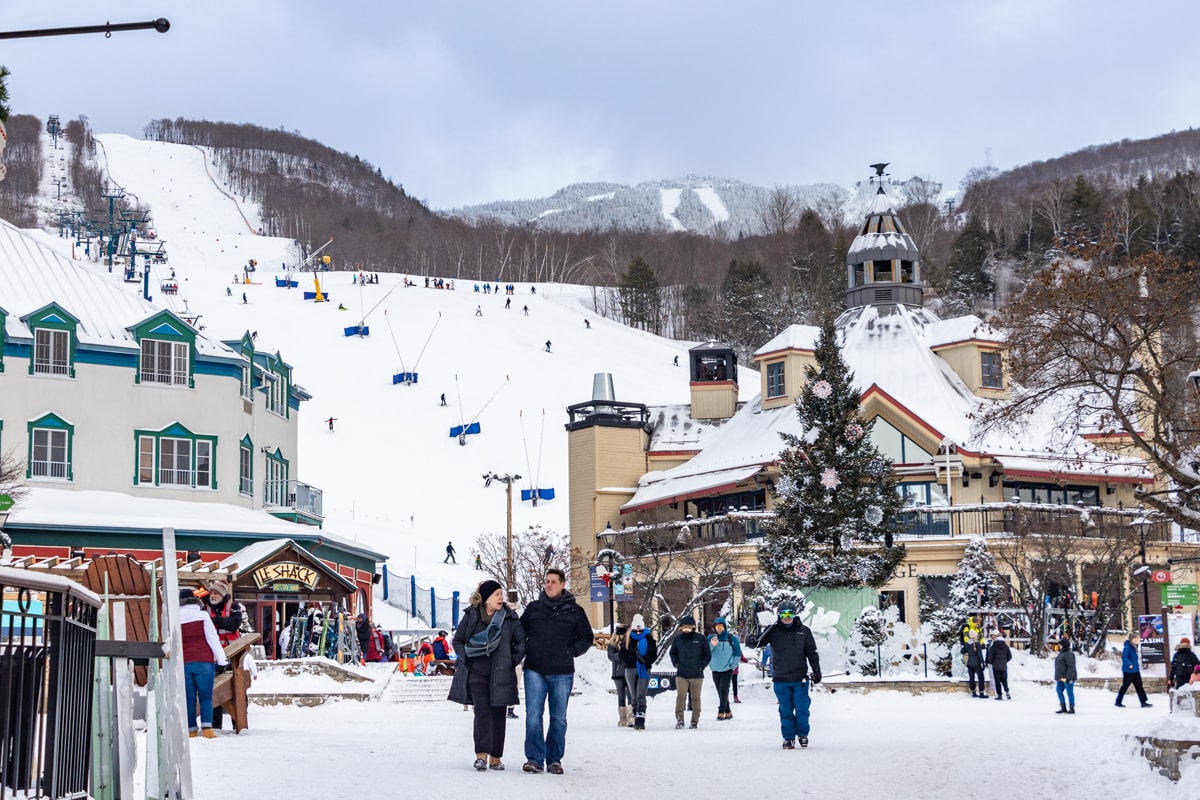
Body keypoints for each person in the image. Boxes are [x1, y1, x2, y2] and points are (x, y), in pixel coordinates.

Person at [519, 568, 593, 775]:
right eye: (547, 581)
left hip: (562, 671)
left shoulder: (575, 611)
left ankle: (554, 760)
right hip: (535, 669)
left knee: (558, 717)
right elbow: (518, 632)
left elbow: (586, 638)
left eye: (553, 581)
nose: (549, 584)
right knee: (533, 714)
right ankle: (534, 759)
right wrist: (525, 649)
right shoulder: (534, 609)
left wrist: (570, 652)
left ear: (562, 585)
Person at [448, 580, 526, 771]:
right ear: (486, 598)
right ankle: (481, 755)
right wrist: (467, 657)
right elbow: (457, 640)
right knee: (482, 712)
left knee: (498, 714)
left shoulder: (509, 618)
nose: (501, 597)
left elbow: (521, 644)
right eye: (497, 594)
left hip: (501, 675)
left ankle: (496, 757)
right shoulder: (472, 615)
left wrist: (510, 662)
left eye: (501, 594)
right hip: (477, 674)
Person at [748, 599, 821, 749]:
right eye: (783, 614)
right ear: (779, 615)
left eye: (790, 614)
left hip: (800, 678)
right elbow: (757, 642)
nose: (787, 617)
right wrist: (751, 639)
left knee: (802, 709)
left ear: (795, 615)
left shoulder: (804, 631)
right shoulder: (773, 631)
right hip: (781, 678)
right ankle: (788, 737)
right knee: (785, 710)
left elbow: (812, 653)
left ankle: (802, 734)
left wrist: (816, 670)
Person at [180, 588, 228, 739]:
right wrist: (222, 660)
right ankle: (207, 729)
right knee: (206, 696)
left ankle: (192, 730)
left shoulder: (175, 617)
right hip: (204, 661)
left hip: (185, 662)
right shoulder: (203, 615)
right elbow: (212, 639)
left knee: (189, 698)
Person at [203, 581, 247, 729]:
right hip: (212, 655)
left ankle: (239, 722)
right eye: (211, 593)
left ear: (222, 594)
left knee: (236, 687)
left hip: (232, 653)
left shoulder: (233, 607)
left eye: (216, 593)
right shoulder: (205, 608)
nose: (213, 595)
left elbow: (234, 623)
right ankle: (216, 725)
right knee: (215, 690)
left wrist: (214, 621)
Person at [669, 615, 711, 729]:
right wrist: (676, 663)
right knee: (681, 696)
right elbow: (672, 653)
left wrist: (701, 666)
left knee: (696, 698)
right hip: (681, 674)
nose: (686, 629)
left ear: (693, 627)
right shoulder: (677, 639)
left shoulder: (701, 639)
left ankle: (695, 720)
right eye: (684, 627)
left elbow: (707, 654)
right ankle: (679, 719)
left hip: (697, 674)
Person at [622, 614, 657, 730]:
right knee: (633, 696)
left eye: (640, 630)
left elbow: (653, 654)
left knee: (641, 694)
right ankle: (635, 716)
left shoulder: (649, 639)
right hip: (630, 668)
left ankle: (641, 719)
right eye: (636, 630)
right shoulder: (627, 638)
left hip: (644, 668)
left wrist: (645, 659)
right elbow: (622, 654)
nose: (638, 633)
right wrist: (632, 657)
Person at [709, 616, 742, 719]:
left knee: (724, 690)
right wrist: (712, 645)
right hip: (715, 669)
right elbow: (705, 652)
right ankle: (728, 712)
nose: (719, 629)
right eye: (717, 627)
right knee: (719, 691)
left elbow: (737, 654)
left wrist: (733, 665)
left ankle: (721, 711)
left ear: (724, 627)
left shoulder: (731, 639)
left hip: (727, 669)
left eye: (721, 626)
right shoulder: (711, 638)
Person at [1116, 633, 1152, 707]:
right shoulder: (1127, 647)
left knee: (1139, 686)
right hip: (1128, 671)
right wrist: (1129, 664)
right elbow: (1124, 657)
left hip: (1135, 670)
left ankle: (1143, 702)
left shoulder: (1134, 647)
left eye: (1136, 638)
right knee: (1125, 686)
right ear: (1131, 640)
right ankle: (1118, 701)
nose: (1136, 640)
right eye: (1134, 638)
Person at [607, 624, 632, 727]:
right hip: (618, 673)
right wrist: (620, 655)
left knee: (631, 695)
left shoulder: (630, 642)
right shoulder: (612, 643)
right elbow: (610, 656)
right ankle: (622, 718)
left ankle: (631, 716)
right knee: (621, 695)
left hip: (629, 670)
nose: (621, 636)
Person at [985, 631, 1012, 700]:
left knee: (997, 681)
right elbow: (1010, 656)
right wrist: (1005, 661)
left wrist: (992, 662)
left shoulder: (993, 646)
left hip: (996, 667)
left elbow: (990, 657)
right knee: (1004, 680)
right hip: (1003, 666)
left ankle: (999, 695)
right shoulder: (1006, 647)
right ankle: (1007, 692)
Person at [1055, 634, 1077, 714]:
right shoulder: (1061, 653)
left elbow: (1071, 667)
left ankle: (1071, 708)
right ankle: (1063, 707)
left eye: (1060, 645)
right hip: (1061, 677)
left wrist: (1069, 678)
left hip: (1068, 677)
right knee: (1058, 690)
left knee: (1069, 692)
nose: (1058, 646)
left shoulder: (1069, 654)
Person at [962, 630, 987, 698]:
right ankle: (981, 692)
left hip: (969, 663)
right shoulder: (977, 644)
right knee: (981, 678)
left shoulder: (967, 644)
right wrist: (983, 663)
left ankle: (973, 692)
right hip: (977, 663)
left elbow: (962, 651)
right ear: (975, 636)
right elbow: (980, 654)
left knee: (971, 678)